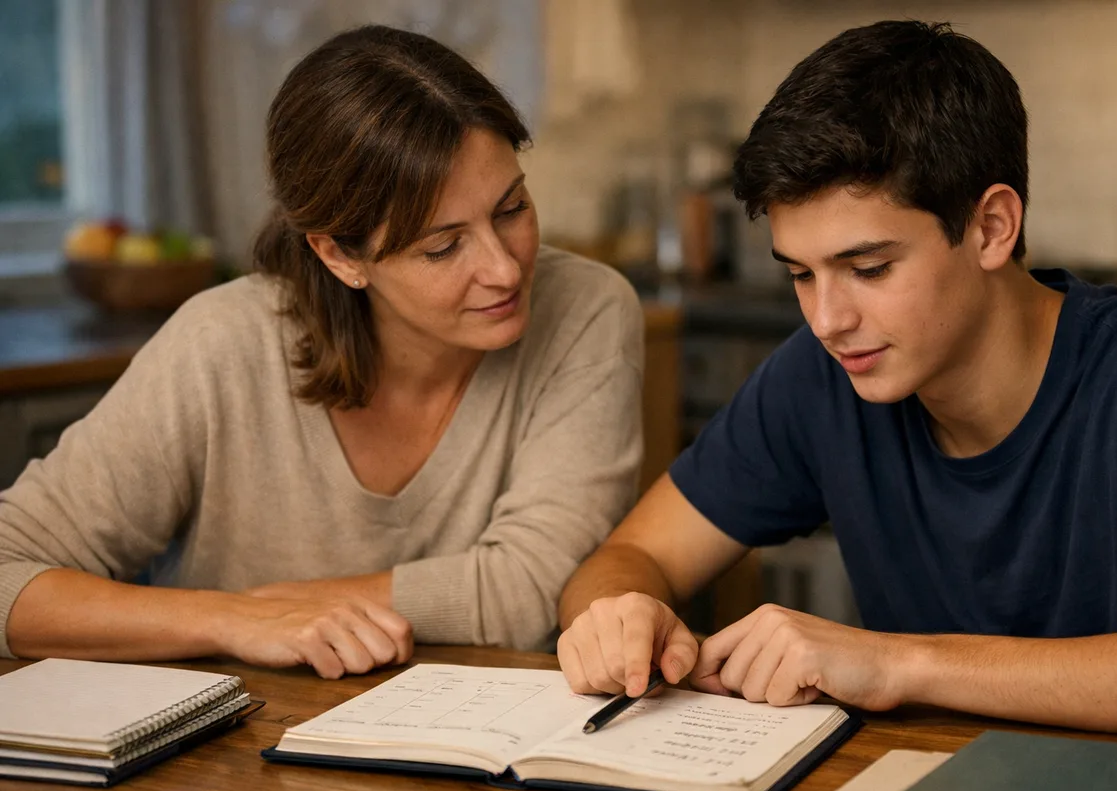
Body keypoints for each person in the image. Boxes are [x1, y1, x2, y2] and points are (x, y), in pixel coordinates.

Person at [556, 20, 1117, 739]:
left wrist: (900, 664)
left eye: (868, 269)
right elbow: (632, 555)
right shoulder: (820, 378)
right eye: (801, 275)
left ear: (992, 227)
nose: (828, 319)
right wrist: (621, 616)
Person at [0, 25, 644, 679]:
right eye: (443, 246)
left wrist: (298, 603)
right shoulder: (220, 344)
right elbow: (7, 569)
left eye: (511, 208)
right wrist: (234, 620)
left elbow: (539, 586)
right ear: (338, 254)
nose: (505, 270)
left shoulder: (586, 308)